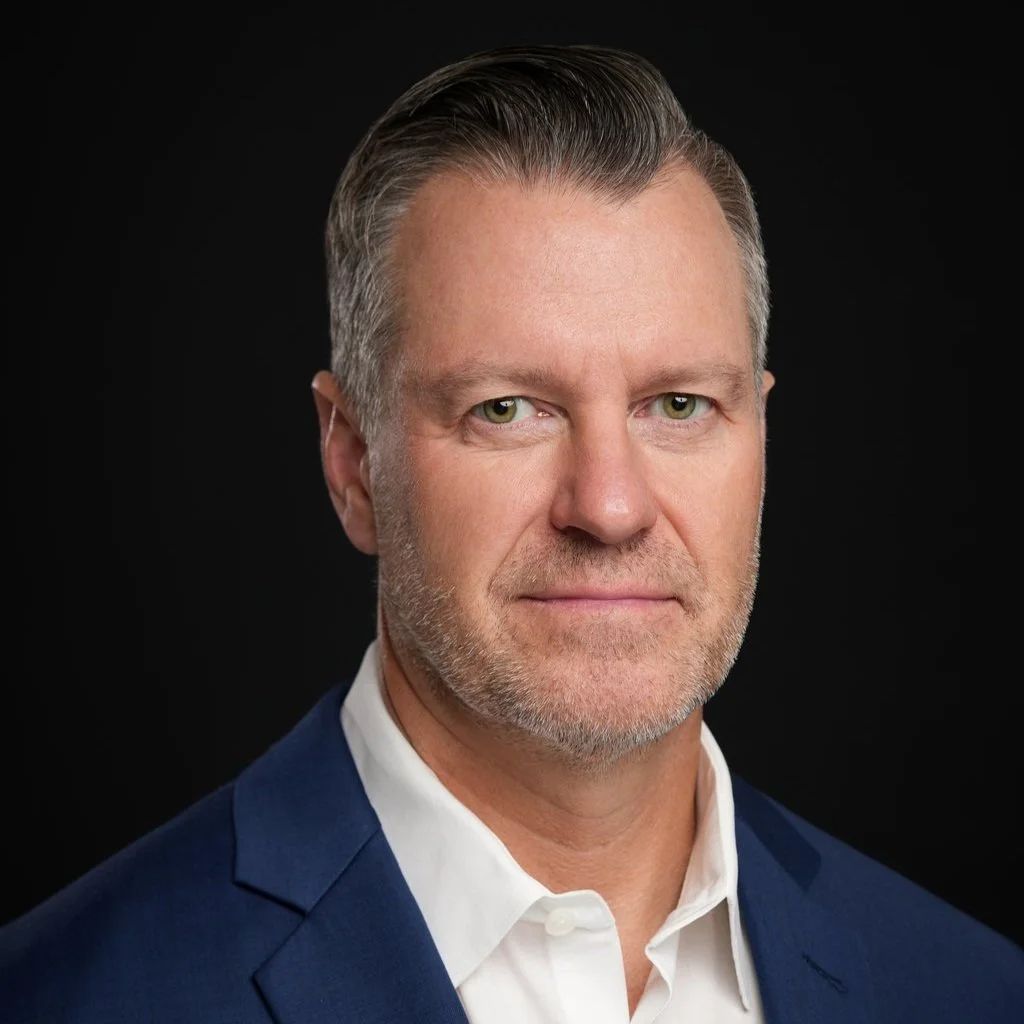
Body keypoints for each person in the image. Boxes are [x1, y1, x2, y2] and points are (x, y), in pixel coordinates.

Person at [1, 42, 1020, 1024]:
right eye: (506, 409)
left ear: (758, 431)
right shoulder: (64, 997)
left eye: (677, 405)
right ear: (352, 462)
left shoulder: (968, 992)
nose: (609, 507)